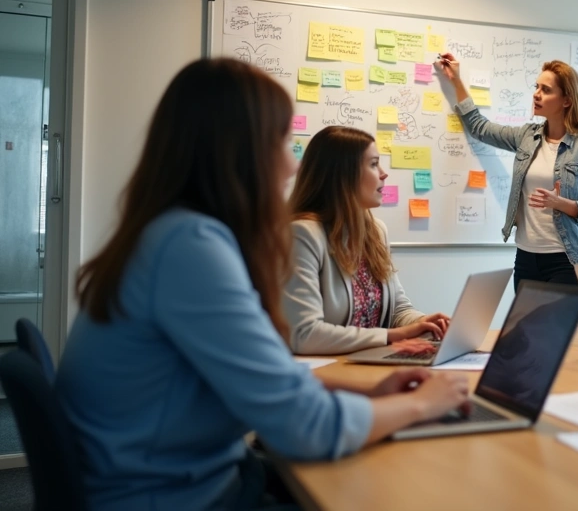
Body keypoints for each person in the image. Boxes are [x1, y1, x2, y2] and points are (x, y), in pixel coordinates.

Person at [57, 59, 470, 511]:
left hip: (185, 472)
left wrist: (368, 393)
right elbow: (304, 426)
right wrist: (422, 404)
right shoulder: (189, 247)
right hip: (178, 494)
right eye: (281, 142)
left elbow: (267, 373)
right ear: (241, 151)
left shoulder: (167, 234)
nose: (293, 166)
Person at [435, 53, 578, 293]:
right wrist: (456, 80)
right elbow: (479, 127)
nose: (536, 94)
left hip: (567, 261)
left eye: (546, 90)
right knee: (527, 331)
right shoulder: (527, 136)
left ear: (566, 100)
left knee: (552, 330)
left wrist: (562, 203)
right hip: (526, 258)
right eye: (536, 87)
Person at [283, 126, 451, 355]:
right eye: (373, 164)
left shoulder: (375, 231)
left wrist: (425, 323)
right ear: (343, 175)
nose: (383, 173)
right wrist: (392, 337)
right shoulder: (302, 235)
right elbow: (304, 334)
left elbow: (397, 310)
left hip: (368, 362)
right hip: (325, 372)